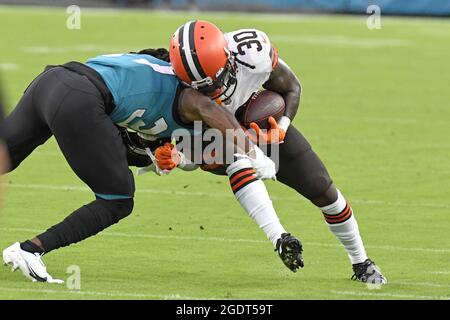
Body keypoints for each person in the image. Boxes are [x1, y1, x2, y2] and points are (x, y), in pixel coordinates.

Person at [0, 49, 303, 283]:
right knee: (117, 200)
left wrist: (165, 155)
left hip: (53, 80)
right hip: (81, 99)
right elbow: (206, 108)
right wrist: (254, 153)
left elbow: (147, 137)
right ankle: (30, 249)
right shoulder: (190, 95)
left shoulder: (149, 66)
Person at [155, 20, 386, 284]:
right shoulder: (171, 86)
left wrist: (281, 128)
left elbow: (292, 88)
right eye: (204, 88)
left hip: (260, 126)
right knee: (236, 158)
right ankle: (279, 237)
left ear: (228, 57)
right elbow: (188, 148)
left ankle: (361, 261)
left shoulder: (251, 53)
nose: (215, 91)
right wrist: (176, 157)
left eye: (216, 81)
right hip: (214, 136)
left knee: (322, 187)